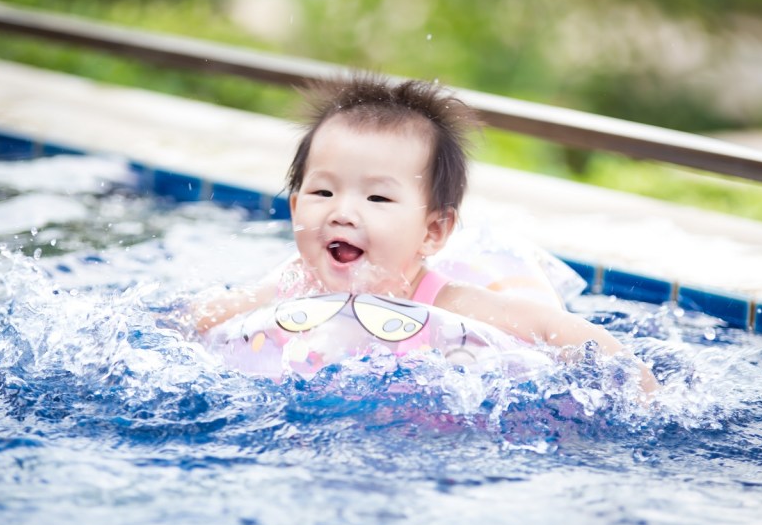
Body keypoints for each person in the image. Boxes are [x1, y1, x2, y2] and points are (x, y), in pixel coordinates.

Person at [189, 74, 658, 394]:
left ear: (432, 232)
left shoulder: (450, 302)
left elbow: (549, 327)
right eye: (323, 191)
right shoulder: (293, 282)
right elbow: (209, 315)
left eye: (377, 199)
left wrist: (637, 383)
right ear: (295, 207)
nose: (342, 212)